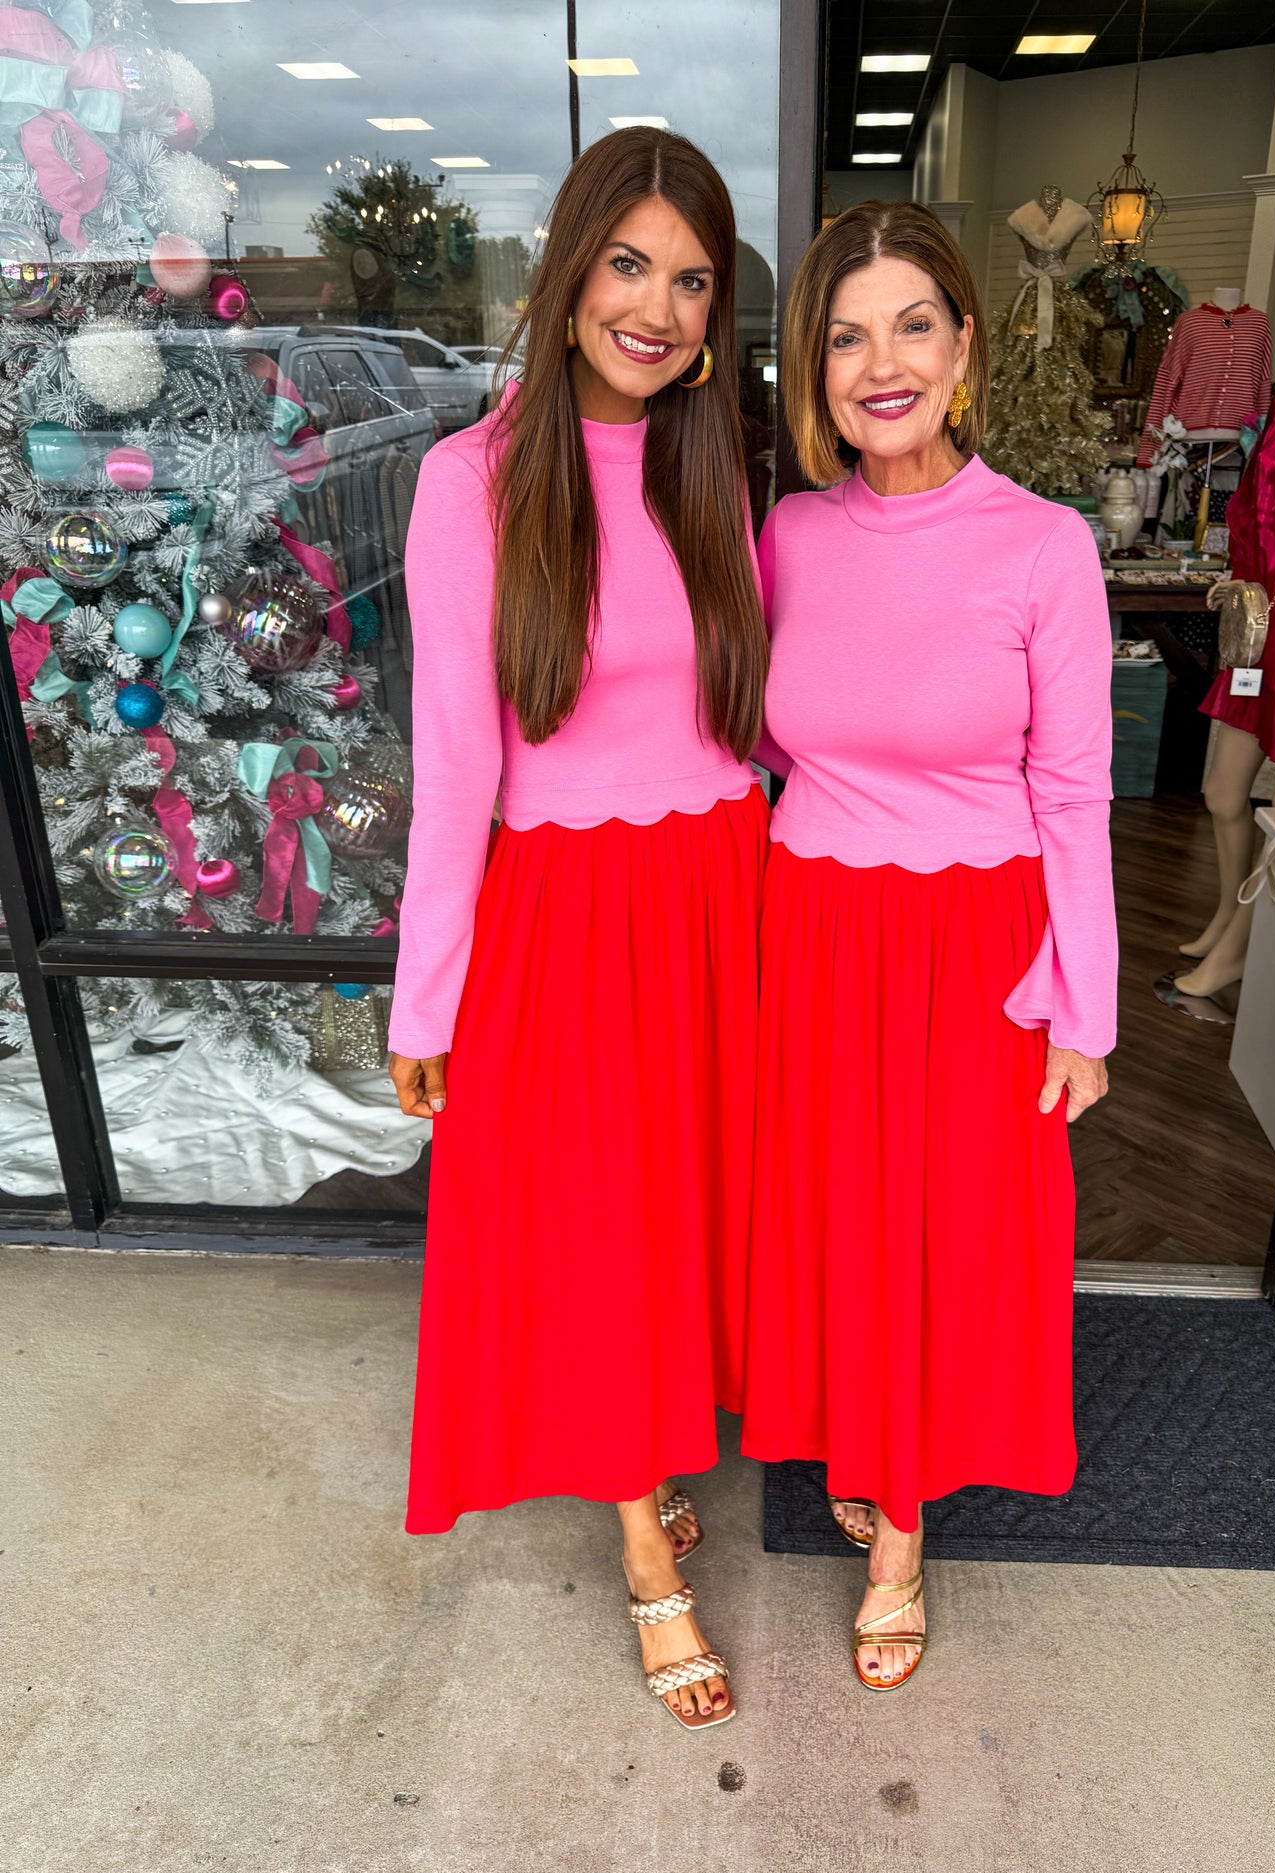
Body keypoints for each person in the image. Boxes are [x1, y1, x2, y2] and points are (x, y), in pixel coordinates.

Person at [388, 128, 770, 1732]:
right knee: (607, 1238)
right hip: (571, 916)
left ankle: (659, 1452)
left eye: (690, 281)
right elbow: (455, 767)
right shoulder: (466, 481)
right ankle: (641, 1551)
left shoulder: (711, 463)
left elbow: (754, 717)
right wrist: (426, 1001)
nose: (656, 309)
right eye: (628, 265)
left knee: (699, 1218)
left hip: (724, 893)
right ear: (564, 278)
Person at [743, 202, 1116, 1691]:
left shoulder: (1043, 545)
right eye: (846, 337)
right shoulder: (789, 533)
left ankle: (901, 1532)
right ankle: (868, 1440)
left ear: (964, 349)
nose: (880, 365)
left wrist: (1082, 1006)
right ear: (814, 368)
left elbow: (1074, 790)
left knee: (946, 1232)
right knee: (838, 1218)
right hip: (812, 926)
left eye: (911, 327)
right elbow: (766, 743)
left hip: (975, 941)